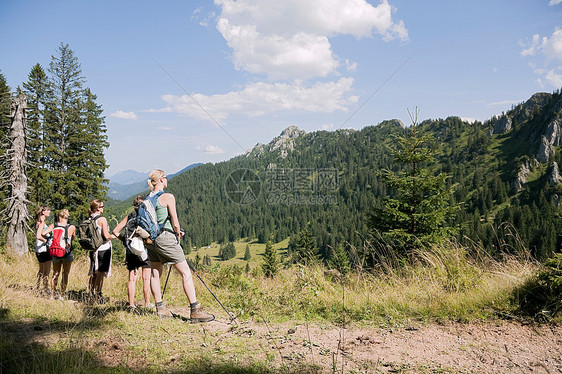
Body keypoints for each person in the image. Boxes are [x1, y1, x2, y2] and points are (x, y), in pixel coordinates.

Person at [145, 169, 214, 322]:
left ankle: (160, 308)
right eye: (166, 177)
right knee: (186, 272)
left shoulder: (147, 199)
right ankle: (195, 310)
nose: (167, 180)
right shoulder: (167, 196)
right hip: (165, 238)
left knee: (155, 273)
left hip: (150, 240)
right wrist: (178, 234)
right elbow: (175, 222)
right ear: (162, 180)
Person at [112, 196, 153, 310]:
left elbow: (115, 231)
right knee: (146, 278)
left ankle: (131, 304)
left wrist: (125, 241)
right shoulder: (146, 217)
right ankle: (147, 303)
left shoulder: (129, 217)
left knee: (132, 278)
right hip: (144, 250)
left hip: (131, 250)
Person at [87, 199, 114, 302]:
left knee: (94, 272)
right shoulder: (102, 219)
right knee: (101, 273)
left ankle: (90, 293)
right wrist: (114, 236)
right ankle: (98, 295)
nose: (103, 208)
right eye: (102, 206)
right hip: (103, 248)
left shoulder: (90, 218)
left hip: (93, 248)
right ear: (98, 208)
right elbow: (106, 235)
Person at [47, 209, 75, 301]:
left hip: (55, 252)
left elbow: (43, 233)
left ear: (59, 217)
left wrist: (48, 240)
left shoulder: (53, 225)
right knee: (65, 274)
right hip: (66, 253)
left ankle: (52, 294)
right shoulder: (71, 227)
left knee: (55, 274)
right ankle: (62, 295)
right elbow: (73, 238)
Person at [34, 205, 53, 296]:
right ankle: (46, 289)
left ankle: (37, 288)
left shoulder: (39, 221)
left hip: (38, 249)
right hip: (44, 249)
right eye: (48, 210)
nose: (49, 212)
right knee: (47, 271)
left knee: (41, 270)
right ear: (43, 212)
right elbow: (38, 236)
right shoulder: (41, 223)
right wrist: (47, 241)